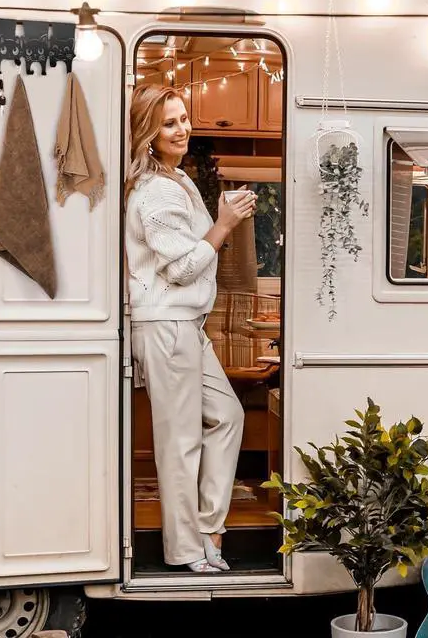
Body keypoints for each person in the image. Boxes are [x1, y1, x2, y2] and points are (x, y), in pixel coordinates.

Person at [124, 84, 257, 573]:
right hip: (167, 324)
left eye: (183, 118)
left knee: (228, 416)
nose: (181, 129)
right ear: (148, 133)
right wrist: (225, 224)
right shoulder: (156, 189)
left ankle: (208, 528)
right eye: (169, 123)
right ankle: (185, 550)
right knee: (180, 442)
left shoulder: (175, 178)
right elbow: (180, 269)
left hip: (183, 325)